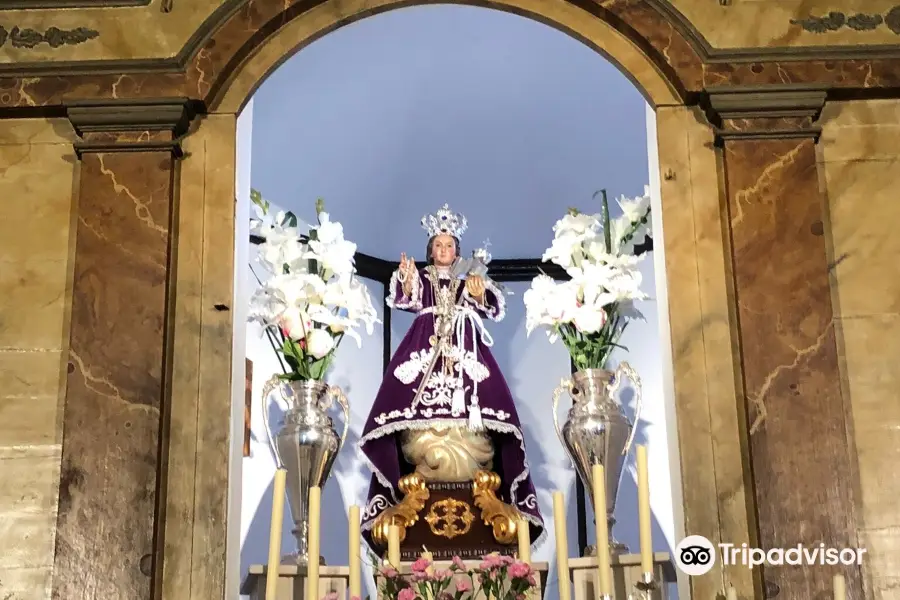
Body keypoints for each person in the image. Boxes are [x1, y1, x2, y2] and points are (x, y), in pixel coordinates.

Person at [358, 203, 545, 551]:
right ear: (431, 250)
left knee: (478, 413)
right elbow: (402, 297)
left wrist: (477, 294)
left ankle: (470, 455)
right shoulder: (424, 279)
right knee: (413, 413)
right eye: (438, 246)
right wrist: (407, 278)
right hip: (425, 349)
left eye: (449, 246)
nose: (444, 251)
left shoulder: (466, 280)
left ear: (457, 250)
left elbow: (492, 306)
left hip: (463, 351)